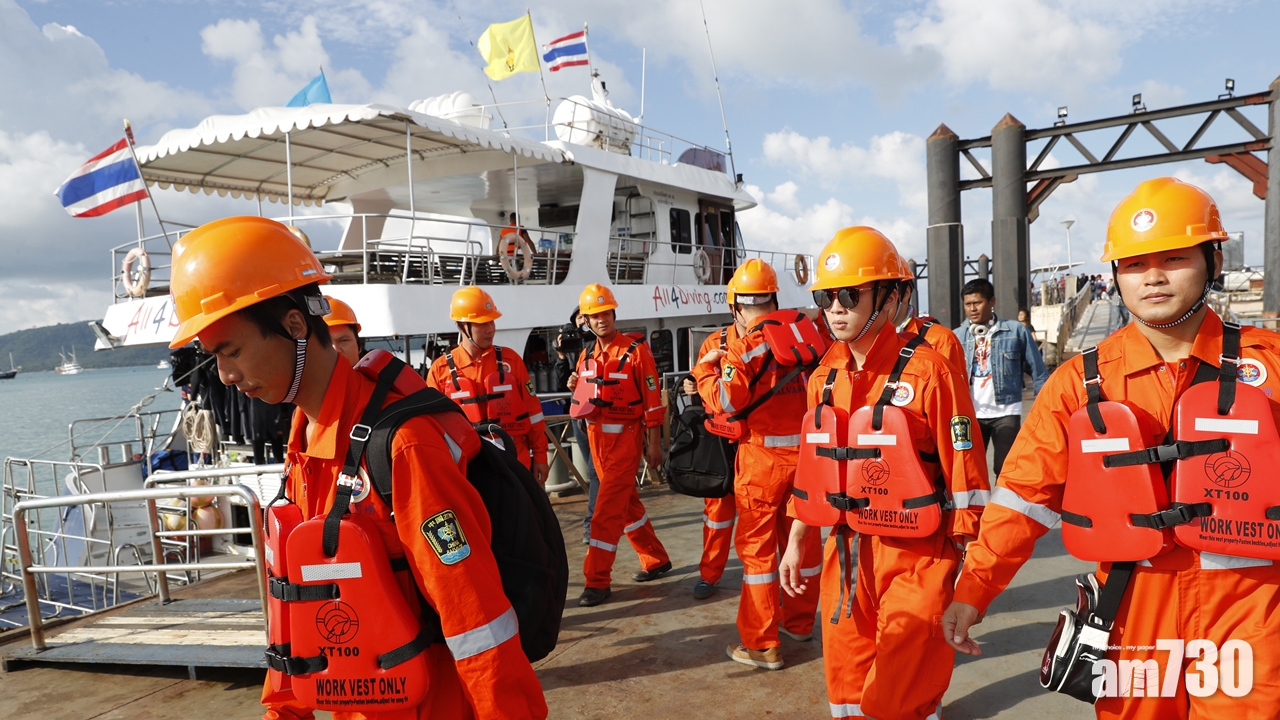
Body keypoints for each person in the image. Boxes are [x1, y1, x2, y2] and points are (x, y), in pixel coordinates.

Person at [166, 216, 547, 720]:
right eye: (215, 357)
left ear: (295, 325)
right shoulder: (305, 433)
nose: (227, 376)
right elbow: (302, 595)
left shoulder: (403, 447)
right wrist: (283, 709)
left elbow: (475, 617)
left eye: (231, 351)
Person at [943, 176, 1280, 717]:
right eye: (1133, 264)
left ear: (1212, 260)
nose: (1153, 278)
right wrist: (973, 588)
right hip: (1131, 608)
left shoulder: (1272, 367)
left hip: (1252, 607)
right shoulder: (1080, 383)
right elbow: (1022, 497)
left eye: (1173, 258)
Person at [780, 226, 990, 718]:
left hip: (918, 556)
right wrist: (796, 539)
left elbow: (967, 473)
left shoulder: (931, 372)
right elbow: (813, 469)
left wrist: (970, 569)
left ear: (891, 296)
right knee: (846, 689)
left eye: (850, 295)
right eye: (827, 295)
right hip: (845, 556)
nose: (836, 307)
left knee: (900, 693)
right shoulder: (821, 380)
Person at [693, 260, 824, 655]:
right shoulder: (808, 334)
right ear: (775, 298)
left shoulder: (742, 346)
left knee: (758, 555)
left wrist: (703, 374)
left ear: (735, 305)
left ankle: (762, 645)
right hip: (807, 459)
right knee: (804, 546)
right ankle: (799, 624)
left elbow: (727, 401)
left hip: (761, 459)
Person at [567, 283, 671, 607]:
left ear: (614, 313)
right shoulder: (587, 356)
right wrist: (575, 383)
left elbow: (654, 403)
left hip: (625, 442)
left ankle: (596, 581)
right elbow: (583, 399)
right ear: (585, 320)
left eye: (606, 313)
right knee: (628, 508)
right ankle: (656, 559)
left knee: (604, 514)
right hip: (596, 441)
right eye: (594, 316)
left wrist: (654, 446)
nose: (601, 320)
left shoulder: (636, 352)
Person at [426, 286, 550, 484]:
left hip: (515, 462)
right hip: (468, 468)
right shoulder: (439, 370)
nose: (491, 328)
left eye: (492, 321)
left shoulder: (512, 360)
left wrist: (541, 456)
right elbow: (430, 428)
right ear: (462, 326)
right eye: (482, 323)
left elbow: (534, 413)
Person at [954, 278, 1049, 476]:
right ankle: (979, 508)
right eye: (968, 304)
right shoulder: (956, 336)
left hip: (1006, 411)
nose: (972, 309)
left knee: (1005, 467)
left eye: (977, 303)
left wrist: (1041, 410)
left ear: (992, 302)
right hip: (970, 413)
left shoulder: (1016, 331)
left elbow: (1038, 371)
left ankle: (1001, 507)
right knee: (971, 470)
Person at [684, 293, 743, 601]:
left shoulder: (771, 343)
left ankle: (764, 576)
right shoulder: (712, 342)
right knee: (716, 513)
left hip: (754, 444)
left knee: (758, 516)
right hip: (719, 442)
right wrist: (691, 386)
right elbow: (699, 383)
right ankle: (709, 574)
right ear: (735, 309)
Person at [553, 306, 600, 545]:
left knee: (595, 472)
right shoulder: (573, 346)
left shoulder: (600, 343)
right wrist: (562, 357)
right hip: (579, 414)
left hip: (601, 416)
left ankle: (592, 526)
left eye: (586, 317)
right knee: (597, 474)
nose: (583, 322)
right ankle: (606, 520)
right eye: (579, 318)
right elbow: (560, 385)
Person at [890, 275, 967, 373]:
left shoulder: (941, 340)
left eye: (882, 294)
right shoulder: (867, 341)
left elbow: (953, 387)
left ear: (905, 293)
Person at [323, 296, 363, 366]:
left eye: (343, 341)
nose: (336, 350)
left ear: (359, 345)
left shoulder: (380, 376)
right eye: (325, 343)